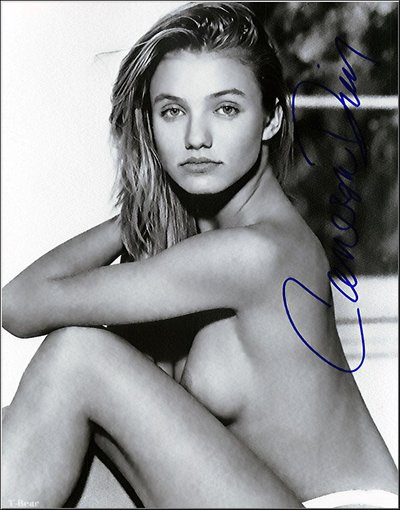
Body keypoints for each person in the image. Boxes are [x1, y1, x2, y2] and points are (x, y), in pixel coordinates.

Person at [2, 2, 398, 508]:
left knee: (76, 357)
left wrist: (137, 216)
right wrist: (147, 211)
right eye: (173, 111)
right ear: (150, 125)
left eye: (225, 109)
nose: (196, 138)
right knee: (28, 425)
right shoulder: (195, 250)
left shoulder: (258, 252)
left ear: (271, 119)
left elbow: (19, 304)